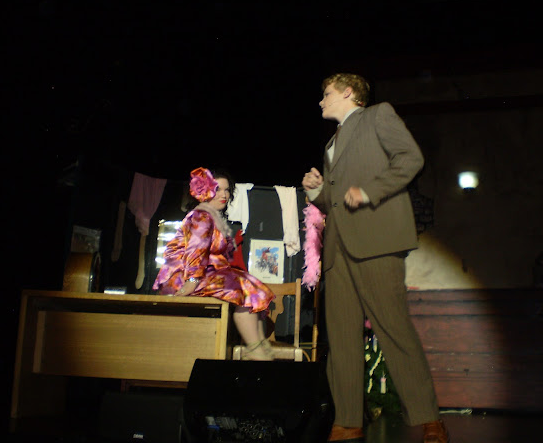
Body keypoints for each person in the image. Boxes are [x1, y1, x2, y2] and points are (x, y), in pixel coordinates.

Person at [302, 73, 449, 442]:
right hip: (338, 250)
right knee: (342, 340)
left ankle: (428, 418)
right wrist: (317, 191)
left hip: (377, 241)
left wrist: (370, 191)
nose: (321, 101)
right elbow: (334, 202)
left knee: (393, 330)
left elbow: (411, 158)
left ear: (349, 92)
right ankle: (347, 420)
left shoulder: (378, 115)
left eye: (326, 94)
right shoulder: (332, 141)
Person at [154, 167, 275, 361]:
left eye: (227, 190)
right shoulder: (201, 216)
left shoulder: (212, 216)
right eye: (218, 189)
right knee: (244, 288)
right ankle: (255, 349)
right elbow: (196, 251)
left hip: (206, 273)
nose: (224, 195)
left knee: (251, 285)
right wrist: (191, 281)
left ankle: (260, 346)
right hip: (184, 276)